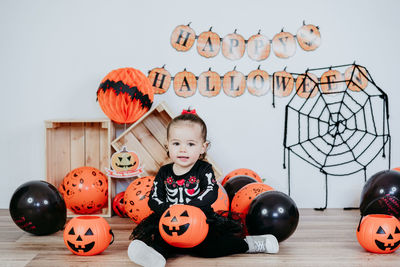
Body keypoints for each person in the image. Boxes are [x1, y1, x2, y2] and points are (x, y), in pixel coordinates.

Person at [127, 109, 279, 267]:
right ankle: (155, 256)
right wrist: (169, 209)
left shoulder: (203, 169)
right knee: (162, 238)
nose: (183, 149)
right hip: (170, 218)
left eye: (191, 144)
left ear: (203, 147)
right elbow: (154, 198)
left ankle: (250, 244)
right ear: (168, 145)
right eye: (176, 143)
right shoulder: (164, 172)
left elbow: (210, 192)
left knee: (211, 248)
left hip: (201, 221)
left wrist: (189, 208)